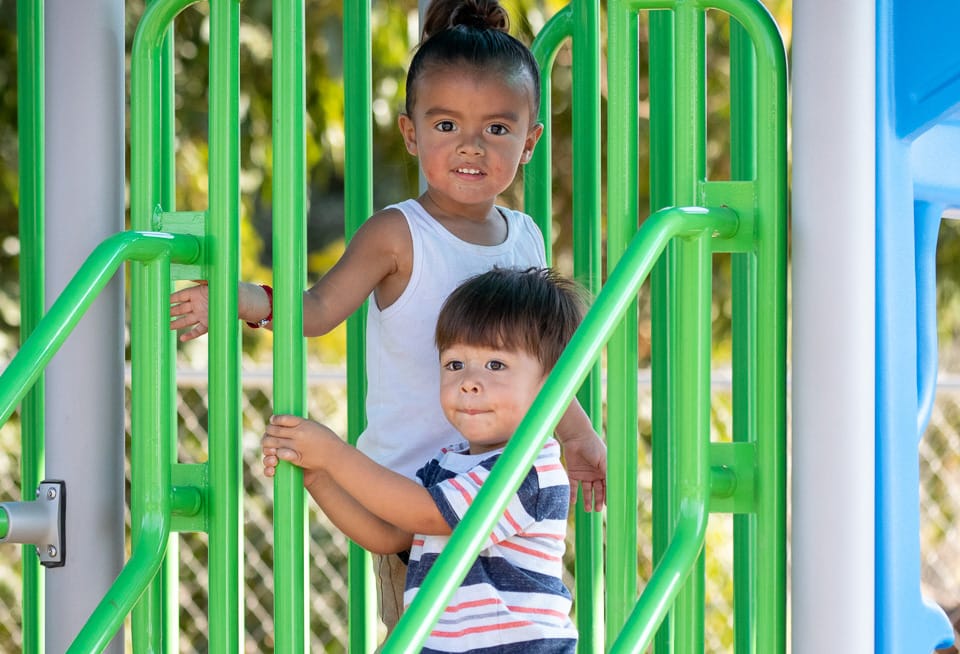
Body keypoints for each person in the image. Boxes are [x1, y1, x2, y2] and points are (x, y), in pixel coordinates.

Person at [169, 0, 606, 634]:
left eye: (497, 128)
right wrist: (243, 299)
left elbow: (539, 366)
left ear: (530, 141)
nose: (471, 146)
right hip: (404, 495)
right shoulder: (400, 234)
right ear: (411, 133)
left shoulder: (526, 236)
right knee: (432, 630)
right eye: (447, 124)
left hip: (499, 493)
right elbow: (318, 309)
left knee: (512, 630)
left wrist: (576, 433)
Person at [262, 266, 586, 653]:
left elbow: (428, 514)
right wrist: (318, 476)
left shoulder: (529, 469)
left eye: (496, 365)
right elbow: (389, 535)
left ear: (551, 383)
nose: (468, 381)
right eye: (454, 364)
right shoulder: (448, 463)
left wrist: (334, 455)